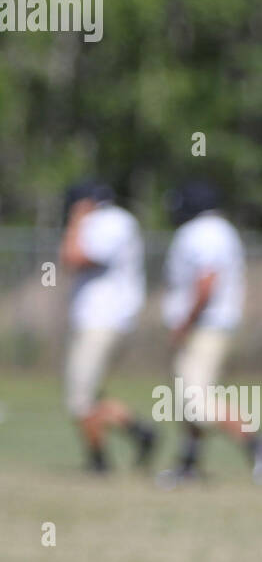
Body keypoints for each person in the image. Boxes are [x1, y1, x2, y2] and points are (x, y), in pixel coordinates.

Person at [158, 181, 262, 485]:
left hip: (205, 326)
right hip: (209, 324)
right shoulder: (217, 229)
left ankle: (256, 442)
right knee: (187, 399)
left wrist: (186, 321)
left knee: (196, 401)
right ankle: (188, 463)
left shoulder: (204, 232)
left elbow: (207, 281)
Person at [59, 180, 155, 474]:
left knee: (79, 398)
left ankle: (99, 462)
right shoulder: (110, 221)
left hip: (103, 321)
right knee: (89, 395)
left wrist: (77, 220)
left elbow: (73, 257)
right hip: (100, 320)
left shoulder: (110, 221)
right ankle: (139, 433)